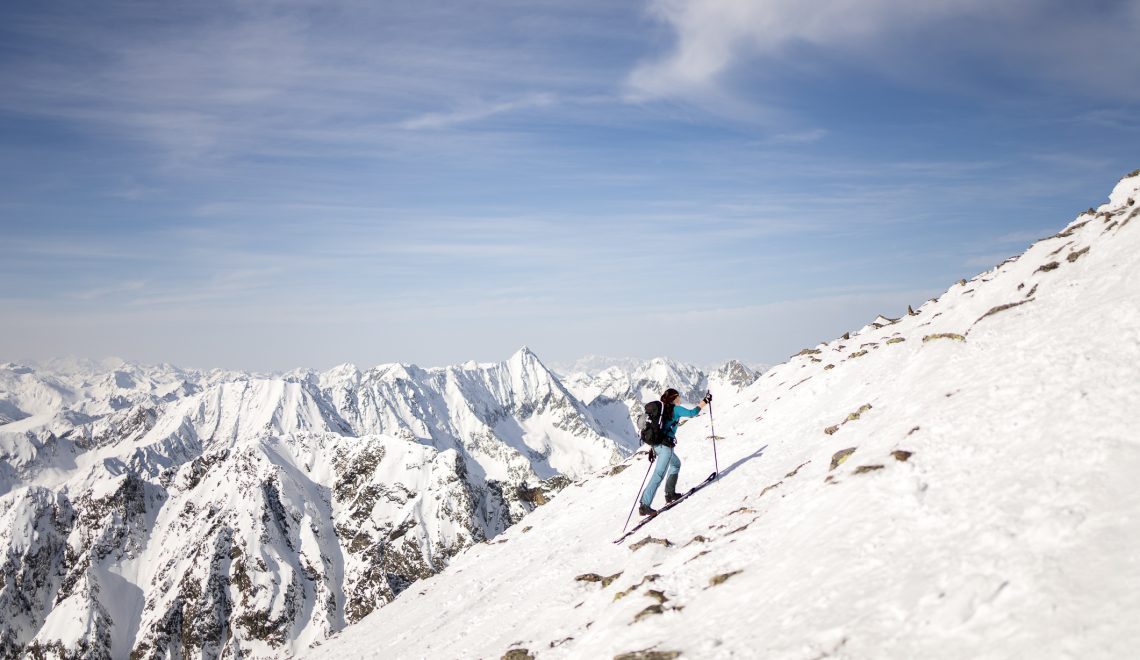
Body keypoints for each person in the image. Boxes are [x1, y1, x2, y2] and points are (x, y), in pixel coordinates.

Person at [639, 388, 712, 515]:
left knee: (676, 464)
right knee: (658, 475)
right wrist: (705, 401)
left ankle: (670, 494)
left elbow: (658, 429)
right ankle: (645, 505)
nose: (680, 399)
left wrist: (652, 448)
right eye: (678, 397)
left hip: (658, 446)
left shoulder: (662, 410)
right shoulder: (675, 409)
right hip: (665, 448)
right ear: (673, 398)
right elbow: (692, 412)